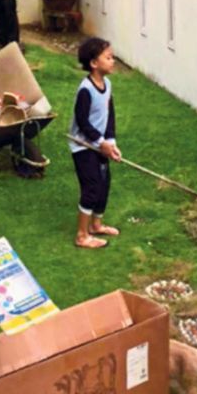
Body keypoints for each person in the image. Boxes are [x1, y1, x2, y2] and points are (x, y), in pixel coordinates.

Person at [69, 38, 122, 249]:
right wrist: (101, 143)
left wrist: (110, 141)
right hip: (83, 146)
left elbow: (109, 116)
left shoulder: (107, 85)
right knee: (91, 186)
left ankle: (96, 225)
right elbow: (82, 122)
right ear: (94, 63)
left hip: (99, 144)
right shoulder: (86, 90)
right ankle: (81, 235)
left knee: (104, 183)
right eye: (108, 58)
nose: (113, 61)